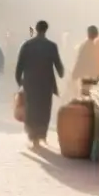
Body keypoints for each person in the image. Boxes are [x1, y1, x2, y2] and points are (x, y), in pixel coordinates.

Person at [15, 20, 64, 150]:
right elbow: (59, 66)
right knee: (44, 108)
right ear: (46, 30)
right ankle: (42, 134)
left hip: (30, 83)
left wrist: (19, 81)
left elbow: (19, 66)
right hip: (46, 83)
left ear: (36, 29)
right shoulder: (51, 46)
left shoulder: (27, 45)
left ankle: (32, 136)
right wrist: (61, 73)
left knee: (31, 108)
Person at [71, 26, 99, 93]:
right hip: (87, 77)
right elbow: (81, 60)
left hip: (87, 76)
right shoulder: (89, 46)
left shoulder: (86, 44)